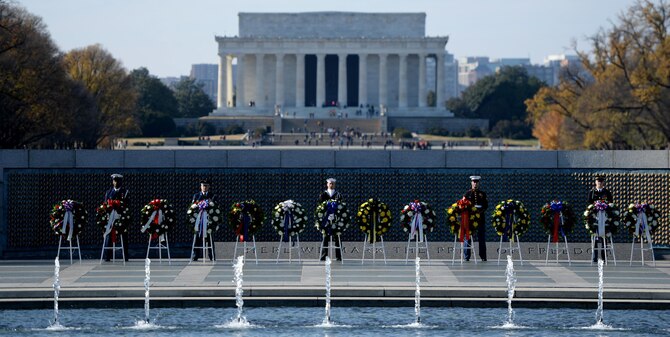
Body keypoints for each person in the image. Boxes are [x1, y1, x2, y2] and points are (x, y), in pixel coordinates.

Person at [103, 174, 130, 261]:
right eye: (115, 181)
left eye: (118, 181)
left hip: (120, 217)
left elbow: (127, 205)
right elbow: (105, 204)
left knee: (124, 236)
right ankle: (107, 256)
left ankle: (125, 256)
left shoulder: (125, 192)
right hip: (111, 218)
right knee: (108, 236)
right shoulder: (109, 192)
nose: (116, 182)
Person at [587, 176, 613, 262]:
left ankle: (604, 256)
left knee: (603, 237)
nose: (600, 183)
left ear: (603, 183)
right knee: (595, 236)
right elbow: (589, 204)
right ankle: (594, 257)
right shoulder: (592, 192)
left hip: (604, 218)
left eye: (601, 181)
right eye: (598, 181)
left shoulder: (607, 192)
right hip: (595, 218)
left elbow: (610, 203)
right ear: (595, 182)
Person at [463, 175, 488, 261]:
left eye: (477, 182)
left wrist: (479, 212)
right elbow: (464, 205)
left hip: (480, 218)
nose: (475, 183)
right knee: (468, 237)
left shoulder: (483, 194)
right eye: (474, 182)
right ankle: (467, 256)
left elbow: (485, 205)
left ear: (479, 183)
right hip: (470, 218)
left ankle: (483, 256)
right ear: (471, 182)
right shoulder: (467, 193)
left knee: (481, 237)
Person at [192, 179, 216, 261]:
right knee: (197, 238)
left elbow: (215, 207)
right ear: (200, 186)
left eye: (206, 185)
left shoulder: (212, 196)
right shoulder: (196, 195)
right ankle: (196, 255)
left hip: (208, 220)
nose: (204, 187)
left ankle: (211, 255)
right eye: (203, 185)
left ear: (209, 186)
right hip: (199, 220)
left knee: (210, 238)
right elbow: (193, 206)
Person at [319, 178, 343, 261]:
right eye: (330, 183)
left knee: (337, 237)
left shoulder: (338, 194)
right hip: (326, 218)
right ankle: (324, 256)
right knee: (325, 237)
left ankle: (339, 256)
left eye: (333, 183)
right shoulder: (323, 195)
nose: (331, 185)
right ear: (327, 184)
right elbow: (320, 207)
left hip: (335, 219)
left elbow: (340, 206)